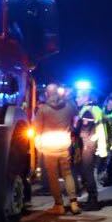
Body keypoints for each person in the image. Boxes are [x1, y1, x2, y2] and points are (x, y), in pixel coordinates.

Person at [35, 83, 80, 215]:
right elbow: (76, 117)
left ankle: (59, 205)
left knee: (53, 176)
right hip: (64, 145)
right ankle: (74, 203)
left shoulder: (42, 109)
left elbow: (37, 129)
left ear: (46, 94)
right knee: (67, 174)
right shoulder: (68, 106)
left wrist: (38, 146)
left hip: (49, 147)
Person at [73, 88, 107, 210]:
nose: (76, 99)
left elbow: (84, 130)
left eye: (79, 96)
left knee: (87, 173)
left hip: (88, 145)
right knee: (87, 172)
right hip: (92, 143)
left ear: (86, 98)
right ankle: (92, 199)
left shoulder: (88, 111)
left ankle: (93, 201)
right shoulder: (95, 109)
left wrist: (74, 126)